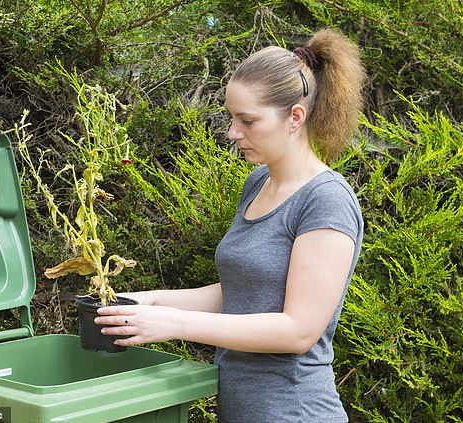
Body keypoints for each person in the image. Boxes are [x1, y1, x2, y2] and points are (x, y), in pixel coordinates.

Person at [95, 28, 366, 422]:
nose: (232, 132)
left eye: (247, 121)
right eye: (231, 117)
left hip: (296, 411)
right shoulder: (259, 182)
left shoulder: (325, 201)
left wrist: (173, 323)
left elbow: (298, 331)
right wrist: (151, 301)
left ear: (295, 117)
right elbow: (243, 293)